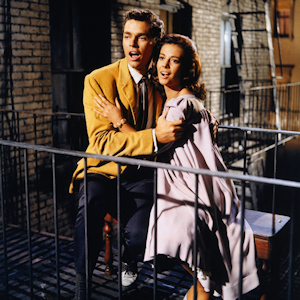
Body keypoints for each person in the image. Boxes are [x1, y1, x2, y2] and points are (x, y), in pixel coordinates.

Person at [95, 34, 260, 300]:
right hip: (209, 181)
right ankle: (202, 286)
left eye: (174, 61)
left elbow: (152, 149)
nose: (164, 65)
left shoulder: (178, 106)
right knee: (196, 257)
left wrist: (118, 120)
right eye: (161, 58)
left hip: (190, 184)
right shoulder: (190, 100)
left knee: (171, 234)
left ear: (186, 70)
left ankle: (202, 283)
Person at [69, 9, 185, 299]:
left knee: (142, 228)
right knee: (90, 203)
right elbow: (102, 140)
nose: (132, 45)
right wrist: (153, 138)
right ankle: (82, 283)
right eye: (127, 37)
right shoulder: (99, 80)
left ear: (154, 43)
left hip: (141, 171)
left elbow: (185, 103)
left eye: (141, 38)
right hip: (102, 168)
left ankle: (129, 259)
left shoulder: (160, 81)